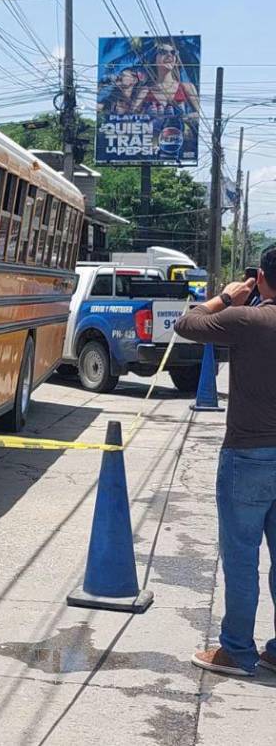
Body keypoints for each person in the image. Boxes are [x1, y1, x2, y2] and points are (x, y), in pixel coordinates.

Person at [174, 247, 276, 677]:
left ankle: (236, 648)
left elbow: (186, 324)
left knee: (240, 555)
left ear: (260, 276)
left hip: (249, 453)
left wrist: (227, 296)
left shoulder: (247, 320)